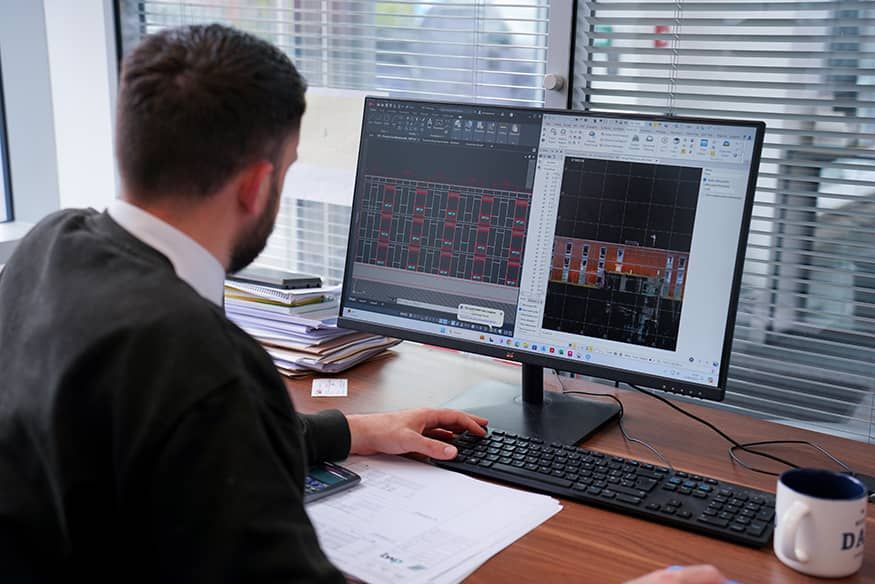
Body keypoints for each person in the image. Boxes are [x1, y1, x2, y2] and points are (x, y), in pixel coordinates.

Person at [0, 24, 731, 584]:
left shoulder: (47, 249)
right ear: (258, 185)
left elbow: (154, 442)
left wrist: (351, 432)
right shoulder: (197, 360)